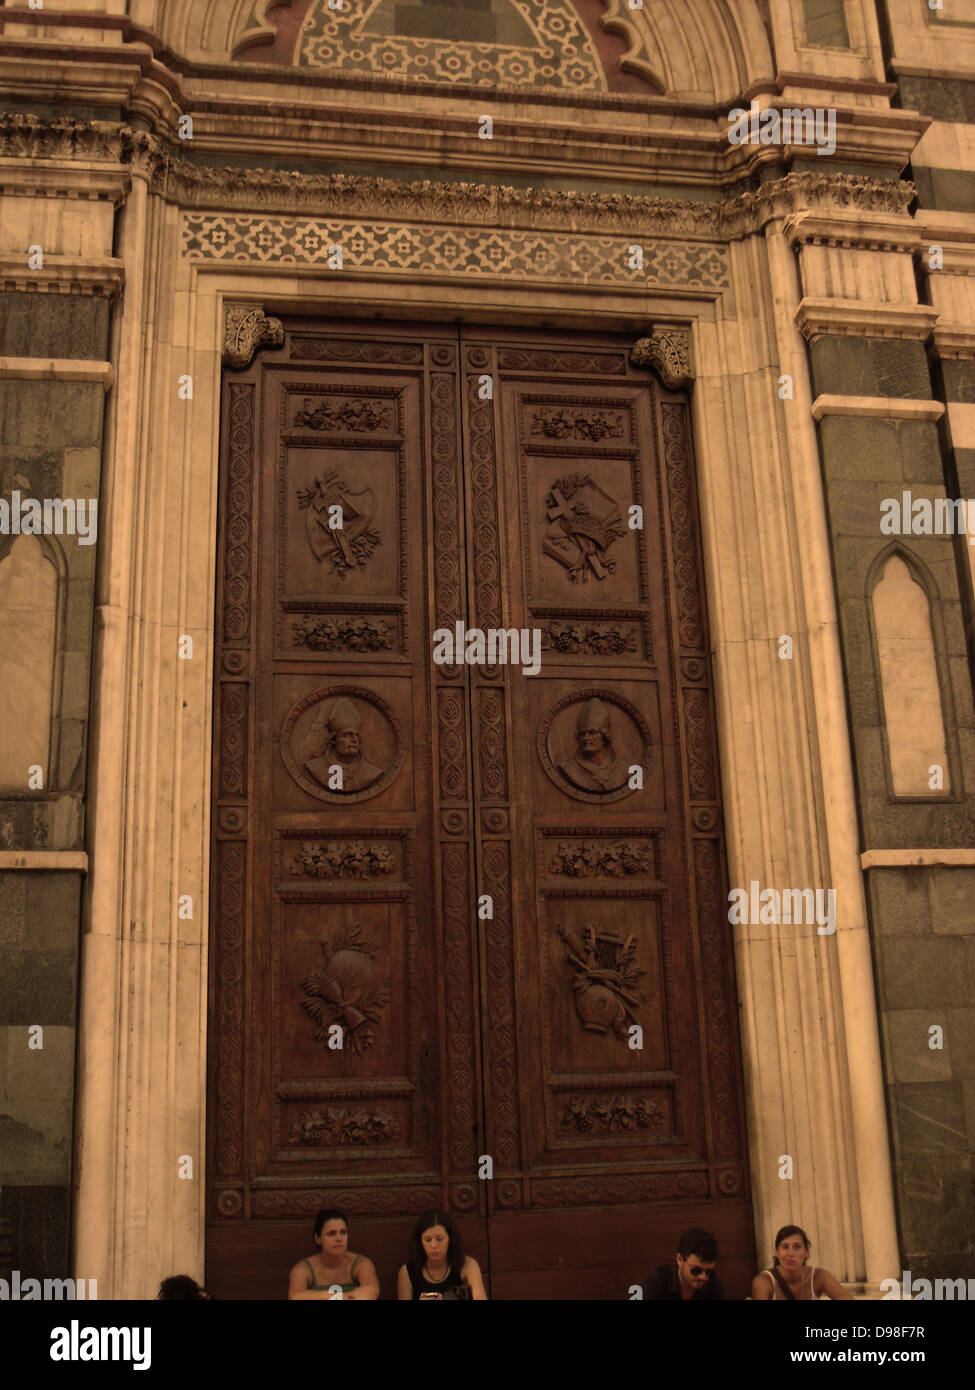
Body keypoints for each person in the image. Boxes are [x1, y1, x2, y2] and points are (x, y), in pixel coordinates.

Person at [288, 1208, 379, 1300]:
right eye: (332, 1233)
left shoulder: (361, 1263)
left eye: (343, 1232)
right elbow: (295, 1296)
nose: (339, 1238)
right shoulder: (303, 1269)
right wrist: (328, 1296)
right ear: (318, 1238)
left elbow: (372, 1291)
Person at [397, 1210, 487, 1300]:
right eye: (428, 1240)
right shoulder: (407, 1272)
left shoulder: (468, 1265)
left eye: (439, 1239)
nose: (434, 1245)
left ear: (450, 1239)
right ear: (420, 1242)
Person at [751, 1225, 852, 1300]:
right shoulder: (764, 1282)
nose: (790, 1253)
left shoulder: (818, 1276)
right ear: (777, 1253)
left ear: (806, 1253)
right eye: (785, 1247)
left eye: (797, 1247)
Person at [639, 1227, 726, 1300]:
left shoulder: (714, 1286)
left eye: (709, 1272)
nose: (703, 1277)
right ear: (679, 1259)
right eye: (696, 1270)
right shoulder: (654, 1283)